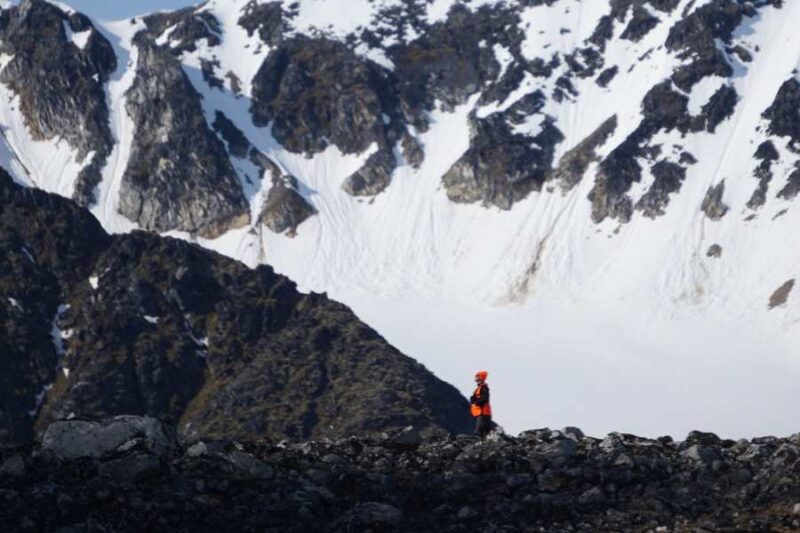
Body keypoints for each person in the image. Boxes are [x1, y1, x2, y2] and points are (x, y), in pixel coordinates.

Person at [470, 370, 492, 438]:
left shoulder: (484, 387)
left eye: (477, 376)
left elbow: (485, 399)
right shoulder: (479, 388)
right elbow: (473, 398)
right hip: (480, 412)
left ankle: (481, 444)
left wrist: (476, 402)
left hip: (483, 412)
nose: (476, 378)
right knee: (483, 431)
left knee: (479, 430)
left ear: (481, 377)